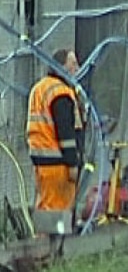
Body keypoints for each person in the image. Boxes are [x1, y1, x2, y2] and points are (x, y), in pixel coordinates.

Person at [27, 49, 83, 217]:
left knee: (45, 209)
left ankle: (42, 241)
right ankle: (56, 243)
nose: (78, 69)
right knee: (58, 215)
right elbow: (65, 133)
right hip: (58, 165)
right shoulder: (61, 93)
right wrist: (72, 164)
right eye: (73, 64)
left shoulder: (40, 88)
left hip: (42, 163)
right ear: (62, 66)